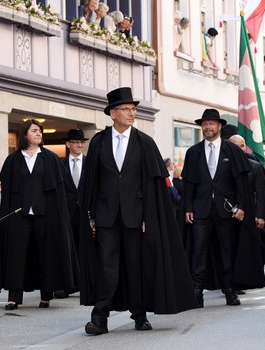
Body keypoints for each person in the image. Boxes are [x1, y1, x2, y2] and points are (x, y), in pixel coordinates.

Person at [79, 87, 197, 335]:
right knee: (106, 267)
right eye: (126, 109)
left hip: (136, 217)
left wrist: (148, 217)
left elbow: (153, 187)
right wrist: (91, 215)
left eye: (133, 109)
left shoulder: (144, 142)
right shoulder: (99, 142)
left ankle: (140, 315)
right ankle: (99, 318)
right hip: (106, 216)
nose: (132, 113)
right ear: (113, 113)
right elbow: (91, 181)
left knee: (135, 266)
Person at [0, 119, 77, 310]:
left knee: (46, 253)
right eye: (34, 131)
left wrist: (60, 216)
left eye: (40, 131)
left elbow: (61, 190)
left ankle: (46, 295)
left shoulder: (50, 158)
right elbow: (6, 190)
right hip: (19, 215)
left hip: (46, 215)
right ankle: (14, 296)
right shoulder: (13, 159)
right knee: (17, 255)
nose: (38, 134)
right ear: (25, 134)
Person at [182, 109, 251, 308]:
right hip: (200, 210)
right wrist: (188, 206)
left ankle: (230, 291)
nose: (207, 127)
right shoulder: (193, 152)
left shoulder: (232, 150)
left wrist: (241, 206)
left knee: (226, 252)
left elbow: (240, 182)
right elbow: (189, 184)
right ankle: (196, 293)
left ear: (219, 126)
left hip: (226, 211)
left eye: (211, 123)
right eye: (204, 124)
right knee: (198, 252)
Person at [228, 134, 265, 290]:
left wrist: (260, 216)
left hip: (249, 215)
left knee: (246, 250)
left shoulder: (255, 167)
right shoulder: (224, 166)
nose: (239, 149)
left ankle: (243, 281)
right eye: (235, 146)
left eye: (242, 145)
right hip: (228, 214)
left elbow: (260, 194)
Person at [55, 128, 89, 299]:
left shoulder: (90, 163)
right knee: (67, 248)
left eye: (81, 142)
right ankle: (66, 284)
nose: (79, 145)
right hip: (66, 212)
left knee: (84, 247)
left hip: (85, 212)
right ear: (68, 144)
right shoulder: (59, 164)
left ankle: (84, 283)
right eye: (75, 142)